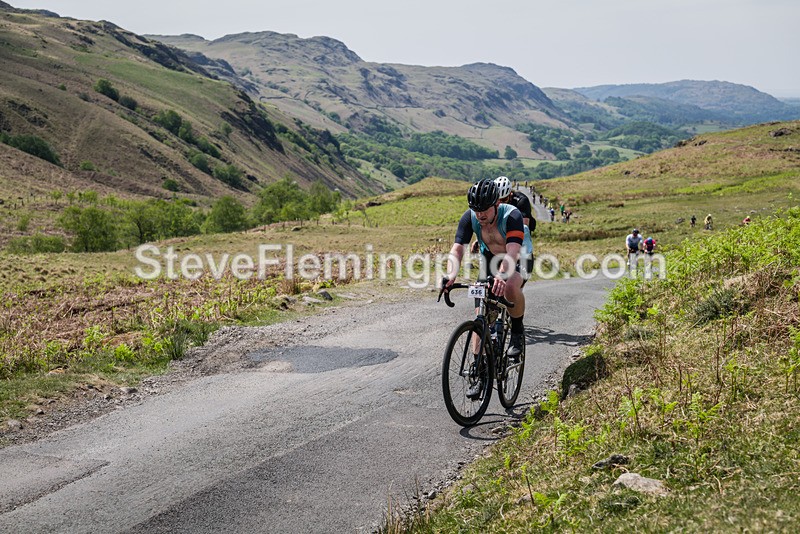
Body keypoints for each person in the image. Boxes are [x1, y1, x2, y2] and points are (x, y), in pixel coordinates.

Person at [444, 179, 531, 378]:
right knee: (481, 314)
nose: (480, 214)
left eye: (484, 209)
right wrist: (450, 275)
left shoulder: (512, 216)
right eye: (476, 209)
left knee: (509, 287)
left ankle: (516, 332)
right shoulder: (471, 217)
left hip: (519, 258)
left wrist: (501, 276)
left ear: (496, 204)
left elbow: (513, 252)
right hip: (490, 259)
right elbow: (458, 248)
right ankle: (479, 366)